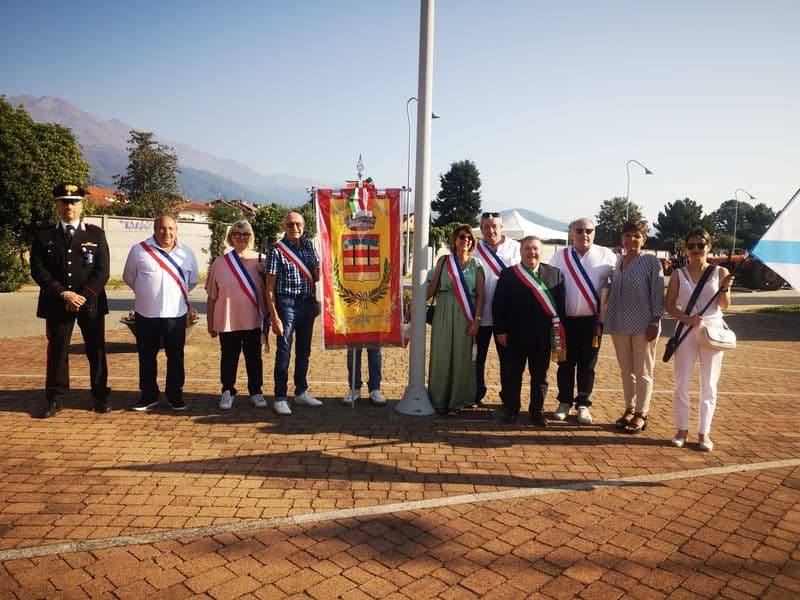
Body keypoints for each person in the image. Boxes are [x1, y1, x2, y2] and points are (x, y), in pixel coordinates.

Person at [29, 183, 111, 417]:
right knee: (57, 349)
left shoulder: (95, 234)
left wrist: (83, 297)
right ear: (57, 205)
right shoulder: (45, 235)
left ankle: (101, 395)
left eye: (74, 202)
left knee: (96, 349)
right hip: (57, 301)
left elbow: (102, 271)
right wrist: (63, 293)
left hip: (90, 301)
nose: (69, 206)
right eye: (64, 202)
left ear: (82, 205)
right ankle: (55, 398)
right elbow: (38, 269)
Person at [665, 229, 734, 451]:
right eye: (691, 245)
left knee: (709, 384)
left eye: (700, 245)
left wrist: (724, 289)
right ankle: (681, 428)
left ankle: (704, 432)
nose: (696, 250)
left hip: (713, 330)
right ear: (686, 249)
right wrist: (687, 319)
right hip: (686, 330)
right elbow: (669, 304)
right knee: (681, 382)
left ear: (709, 247)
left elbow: (724, 305)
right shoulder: (678, 274)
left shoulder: (720, 271)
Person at [123, 214, 200, 411]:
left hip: (176, 314)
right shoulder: (139, 250)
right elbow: (129, 277)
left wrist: (173, 296)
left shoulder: (187, 253)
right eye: (162, 228)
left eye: (170, 229)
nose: (166, 233)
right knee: (146, 356)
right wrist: (147, 293)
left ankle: (175, 395)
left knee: (176, 357)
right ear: (155, 229)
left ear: (177, 230)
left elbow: (193, 281)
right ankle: (148, 396)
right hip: (146, 314)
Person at [549, 218, 616, 424]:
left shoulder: (607, 255)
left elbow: (619, 283)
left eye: (588, 230)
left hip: (593, 322)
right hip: (565, 321)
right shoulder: (559, 256)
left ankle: (584, 404)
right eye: (579, 230)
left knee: (588, 365)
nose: (583, 234)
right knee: (564, 363)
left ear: (595, 233)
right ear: (571, 233)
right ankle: (565, 402)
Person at [493, 236, 565, 426]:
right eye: (527, 248)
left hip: (542, 337)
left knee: (540, 377)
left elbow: (560, 308)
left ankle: (537, 411)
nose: (531, 252)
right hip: (515, 335)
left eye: (535, 249)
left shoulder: (555, 274)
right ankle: (512, 409)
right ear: (520, 251)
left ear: (542, 251)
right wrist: (500, 331)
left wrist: (556, 335)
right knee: (512, 375)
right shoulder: (508, 274)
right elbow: (498, 306)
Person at [604, 220, 664, 434]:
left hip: (643, 324)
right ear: (622, 238)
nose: (631, 240)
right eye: (627, 235)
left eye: (636, 236)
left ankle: (642, 412)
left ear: (643, 239)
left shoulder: (650, 262)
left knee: (643, 371)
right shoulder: (619, 260)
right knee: (626, 370)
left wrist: (655, 321)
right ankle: (629, 408)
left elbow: (658, 293)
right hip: (619, 324)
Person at [265, 211, 323, 415]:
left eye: (298, 224)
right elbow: (269, 287)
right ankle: (280, 397)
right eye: (290, 224)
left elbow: (316, 276)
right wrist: (274, 316)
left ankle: (301, 392)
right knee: (284, 352)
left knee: (304, 351)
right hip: (287, 304)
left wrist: (318, 273)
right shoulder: (276, 250)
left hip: (307, 304)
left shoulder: (309, 246)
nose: (294, 228)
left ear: (304, 227)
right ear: (284, 227)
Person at [205, 220, 267, 410]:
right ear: (230, 237)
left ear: (251, 237)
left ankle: (256, 391)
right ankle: (227, 391)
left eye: (245, 234)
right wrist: (209, 322)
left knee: (254, 357)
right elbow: (212, 297)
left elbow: (270, 292)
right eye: (237, 234)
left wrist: (264, 274)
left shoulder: (261, 260)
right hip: (227, 320)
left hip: (253, 319)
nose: (241, 237)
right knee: (229, 357)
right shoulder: (220, 262)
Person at [427, 225, 484, 415]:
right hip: (443, 312)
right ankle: (438, 399)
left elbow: (481, 297)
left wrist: (477, 320)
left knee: (461, 357)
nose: (465, 240)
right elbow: (432, 287)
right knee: (441, 356)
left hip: (465, 316)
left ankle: (457, 400)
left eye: (469, 238)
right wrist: (414, 307)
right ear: (454, 240)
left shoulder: (477, 266)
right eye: (462, 236)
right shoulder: (444, 261)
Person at [472, 211, 520, 407]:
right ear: (481, 229)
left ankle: (508, 396)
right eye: (486, 227)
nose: (491, 230)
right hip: (479, 315)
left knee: (508, 360)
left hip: (506, 317)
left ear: (501, 227)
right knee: (476, 358)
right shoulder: (473, 248)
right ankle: (475, 393)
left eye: (494, 226)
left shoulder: (516, 248)